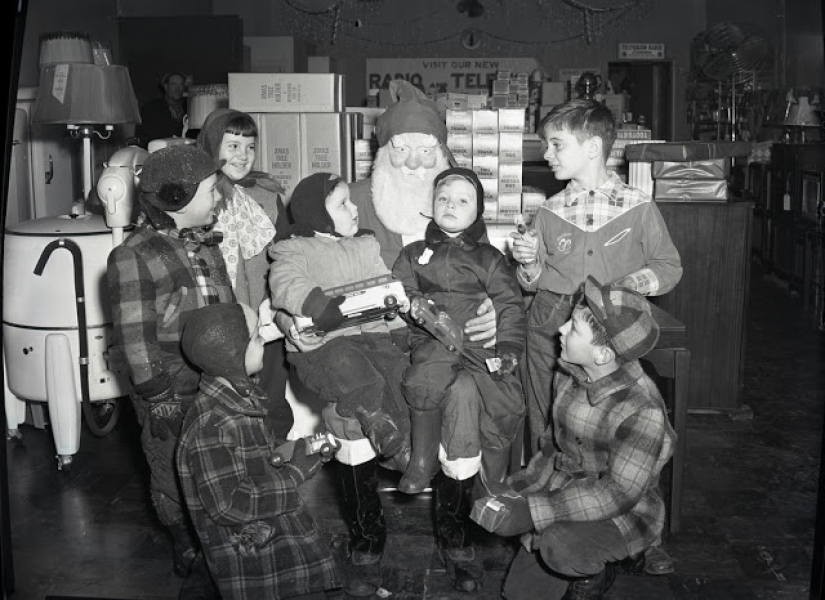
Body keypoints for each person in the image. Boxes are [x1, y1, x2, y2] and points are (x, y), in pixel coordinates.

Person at [276, 80, 498, 595]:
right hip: (351, 343)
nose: (417, 164)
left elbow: (487, 278)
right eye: (403, 149)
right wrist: (292, 322)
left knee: (461, 398)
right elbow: (288, 270)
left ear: (443, 153)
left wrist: (489, 309)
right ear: (383, 151)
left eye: (428, 151)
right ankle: (367, 534)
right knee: (347, 409)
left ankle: (454, 535)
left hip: (436, 347)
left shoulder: (458, 203)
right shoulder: (349, 201)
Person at [474, 276, 676, 600]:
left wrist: (535, 514)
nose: (561, 330)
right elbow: (555, 449)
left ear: (602, 355)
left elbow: (618, 493)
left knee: (561, 547)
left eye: (574, 328)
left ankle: (596, 575)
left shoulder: (642, 410)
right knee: (518, 593)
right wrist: (518, 492)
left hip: (625, 512)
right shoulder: (569, 374)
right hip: (567, 491)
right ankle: (573, 553)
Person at [510, 98, 683, 458]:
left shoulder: (637, 205)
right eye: (547, 145)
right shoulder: (548, 209)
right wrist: (527, 263)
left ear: (592, 147)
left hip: (609, 324)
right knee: (543, 408)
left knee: (602, 410)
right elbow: (533, 279)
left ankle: (596, 484)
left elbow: (668, 266)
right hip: (548, 319)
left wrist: (627, 288)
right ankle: (545, 478)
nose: (547, 154)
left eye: (556, 144)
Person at [107, 144, 233, 578]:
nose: (219, 199)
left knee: (216, 457)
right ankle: (183, 536)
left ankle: (219, 527)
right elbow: (133, 334)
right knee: (171, 464)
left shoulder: (207, 245)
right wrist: (156, 392)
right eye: (212, 191)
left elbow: (226, 307)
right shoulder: (133, 255)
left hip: (214, 374)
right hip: (166, 380)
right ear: (178, 198)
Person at [176, 302, 342, 600]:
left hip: (272, 524)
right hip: (255, 556)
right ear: (231, 354)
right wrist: (292, 475)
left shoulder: (239, 398)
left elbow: (260, 458)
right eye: (255, 336)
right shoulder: (211, 424)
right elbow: (228, 504)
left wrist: (303, 450)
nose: (263, 341)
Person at [392, 167, 526, 495]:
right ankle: (423, 460)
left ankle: (494, 479)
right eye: (443, 198)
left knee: (504, 401)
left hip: (480, 341)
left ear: (478, 211)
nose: (451, 205)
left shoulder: (490, 257)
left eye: (462, 201)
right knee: (422, 379)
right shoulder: (414, 253)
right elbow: (399, 285)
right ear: (432, 204)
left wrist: (508, 346)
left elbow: (509, 303)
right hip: (434, 337)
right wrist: (409, 302)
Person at [268, 172, 407, 459]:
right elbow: (285, 283)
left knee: (398, 373)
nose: (354, 209)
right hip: (322, 347)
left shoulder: (366, 245)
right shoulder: (295, 248)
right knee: (348, 363)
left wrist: (396, 303)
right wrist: (317, 305)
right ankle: (376, 421)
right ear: (318, 215)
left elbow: (384, 280)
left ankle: (403, 447)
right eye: (343, 204)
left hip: (371, 336)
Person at [196, 108, 294, 440]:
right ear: (212, 146)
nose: (243, 155)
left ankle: (277, 460)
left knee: (272, 394)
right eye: (233, 145)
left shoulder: (266, 196)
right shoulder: (198, 199)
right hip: (222, 322)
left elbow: (286, 254)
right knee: (231, 403)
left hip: (266, 320)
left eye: (250, 146)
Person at [135, 72, 188, 148]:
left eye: (181, 85)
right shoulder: (151, 108)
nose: (178, 89)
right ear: (166, 87)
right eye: (174, 84)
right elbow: (147, 138)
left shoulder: (188, 108)